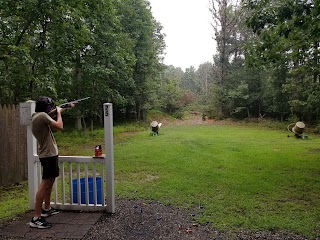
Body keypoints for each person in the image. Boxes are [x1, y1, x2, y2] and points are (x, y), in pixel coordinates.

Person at [30, 96, 73, 229]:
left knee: (50, 181)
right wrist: (59, 112)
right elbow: (59, 126)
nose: (52, 108)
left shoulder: (37, 115)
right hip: (48, 155)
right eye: (50, 106)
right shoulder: (42, 116)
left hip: (49, 154)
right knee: (45, 184)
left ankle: (46, 208)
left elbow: (50, 114)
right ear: (46, 108)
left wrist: (63, 108)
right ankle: (36, 217)